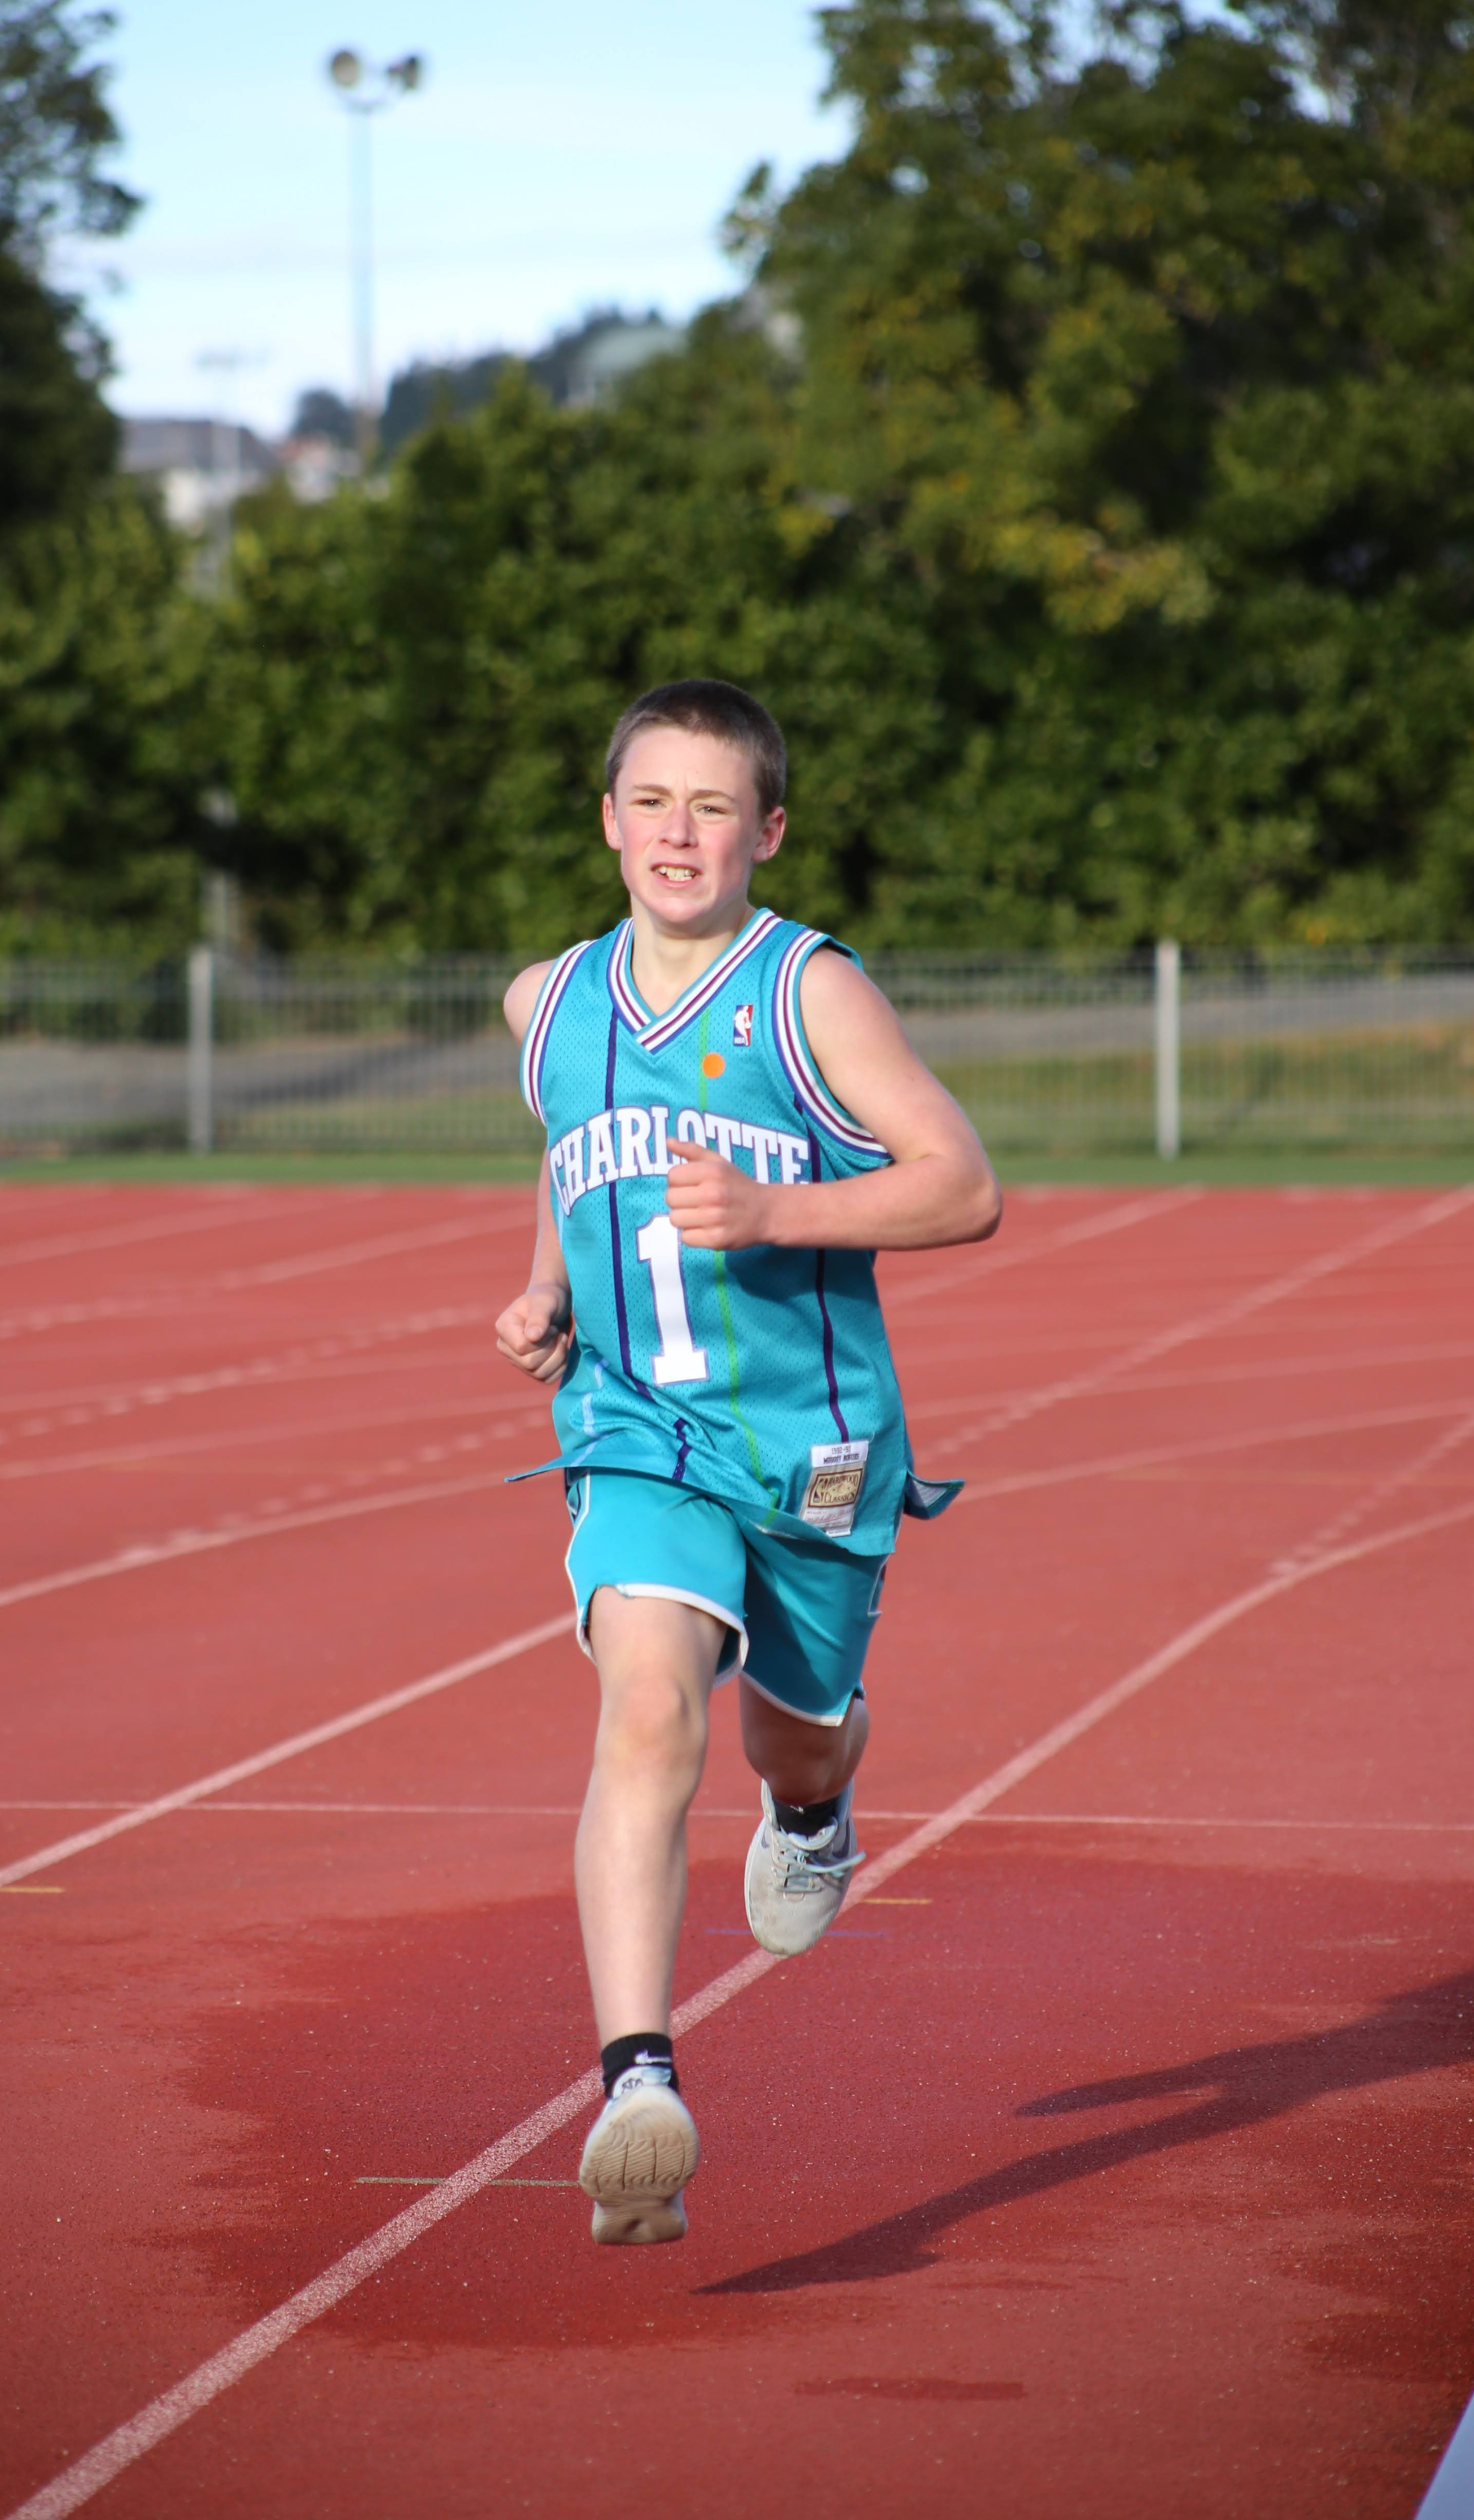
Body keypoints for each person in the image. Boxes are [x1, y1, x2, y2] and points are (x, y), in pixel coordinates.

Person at [495, 679, 1000, 2246]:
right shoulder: (544, 1002)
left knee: (795, 1737)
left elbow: (963, 1184)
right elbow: (568, 1141)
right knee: (648, 1707)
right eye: (652, 802)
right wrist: (548, 1285)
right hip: (637, 1425)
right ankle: (636, 2083)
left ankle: (813, 1809)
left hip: (811, 1447)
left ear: (765, 832)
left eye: (712, 807)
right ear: (607, 819)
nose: (678, 834)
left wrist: (779, 1212)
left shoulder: (809, 993)